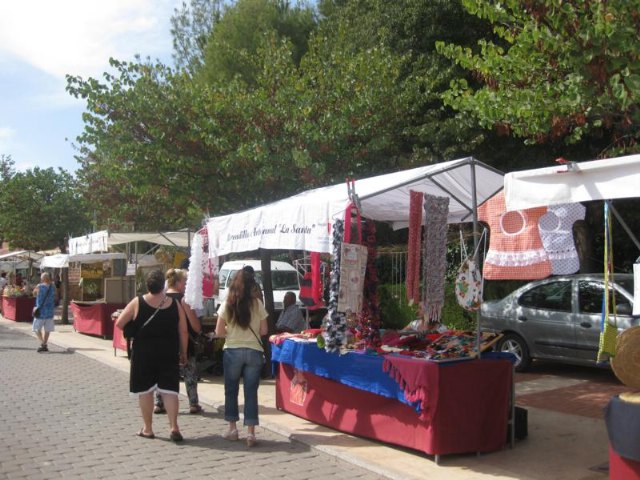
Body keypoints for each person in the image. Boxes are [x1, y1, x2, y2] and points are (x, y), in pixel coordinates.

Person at [115, 270, 188, 442]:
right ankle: (174, 427)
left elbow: (119, 323)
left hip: (143, 353)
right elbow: (183, 330)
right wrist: (184, 352)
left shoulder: (137, 302)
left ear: (147, 285)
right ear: (163, 285)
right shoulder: (174, 304)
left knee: (145, 391)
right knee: (169, 391)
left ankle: (148, 428)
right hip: (168, 353)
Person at [215, 268, 268, 447]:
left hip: (232, 351)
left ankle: (232, 430)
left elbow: (218, 331)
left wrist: (231, 331)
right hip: (254, 351)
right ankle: (251, 434)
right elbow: (264, 331)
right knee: (251, 392)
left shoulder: (227, 304)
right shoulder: (258, 304)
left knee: (231, 391)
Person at [154, 269, 204, 415]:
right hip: (184, 343)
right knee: (189, 374)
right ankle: (193, 403)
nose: (186, 284)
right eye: (185, 281)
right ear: (177, 283)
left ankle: (159, 402)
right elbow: (196, 327)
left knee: (162, 373)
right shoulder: (184, 300)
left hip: (164, 343)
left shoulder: (159, 300)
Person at [32, 272, 56, 352]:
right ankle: (44, 344)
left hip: (41, 312)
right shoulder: (53, 286)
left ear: (43, 278)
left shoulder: (39, 286)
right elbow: (56, 296)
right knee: (47, 329)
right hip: (50, 312)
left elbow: (34, 294)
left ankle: (43, 343)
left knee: (36, 328)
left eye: (41, 278)